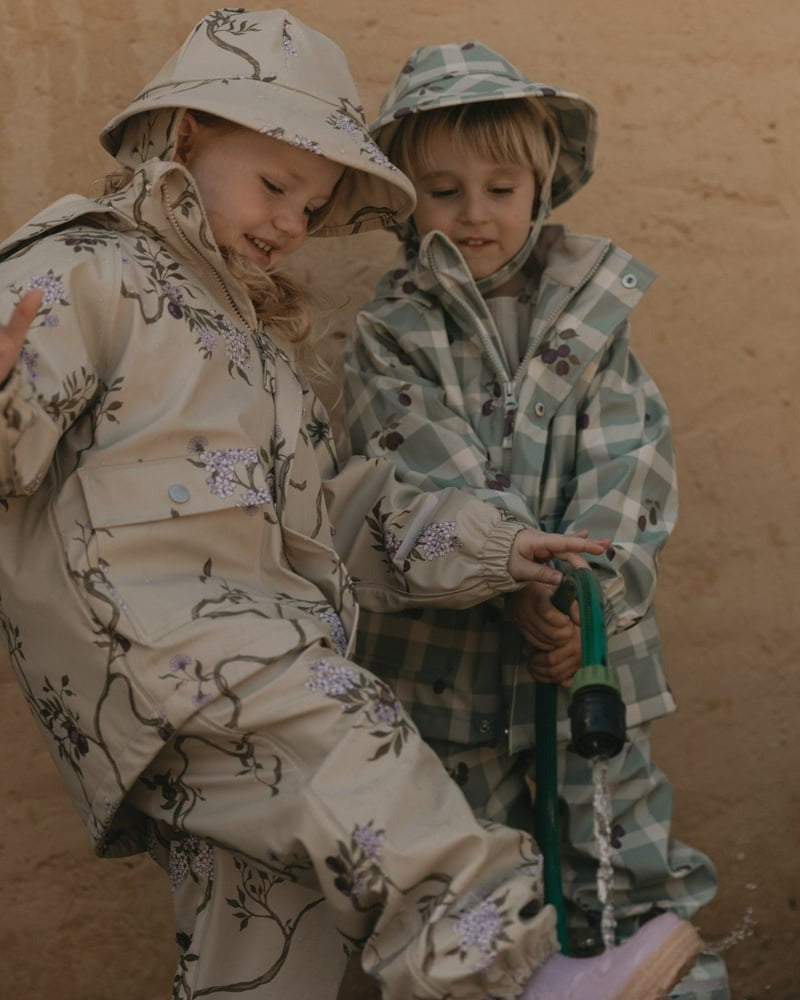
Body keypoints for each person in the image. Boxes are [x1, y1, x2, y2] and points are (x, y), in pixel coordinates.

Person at [0, 10, 702, 999]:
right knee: (352, 732)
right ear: (188, 137)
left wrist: (496, 544)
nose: (289, 221)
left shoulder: (261, 359)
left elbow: (342, 527)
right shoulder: (88, 266)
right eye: (273, 185)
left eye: (314, 203)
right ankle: (513, 969)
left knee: (271, 922)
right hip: (175, 649)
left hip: (229, 672)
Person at [343, 41, 728, 998]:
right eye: (443, 190)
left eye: (500, 187)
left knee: (625, 875)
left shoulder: (595, 320)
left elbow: (630, 466)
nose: (474, 214)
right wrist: (511, 572)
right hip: (450, 685)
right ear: (406, 199)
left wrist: (586, 594)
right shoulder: (391, 332)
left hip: (592, 669)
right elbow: (418, 469)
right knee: (477, 902)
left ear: (541, 188)